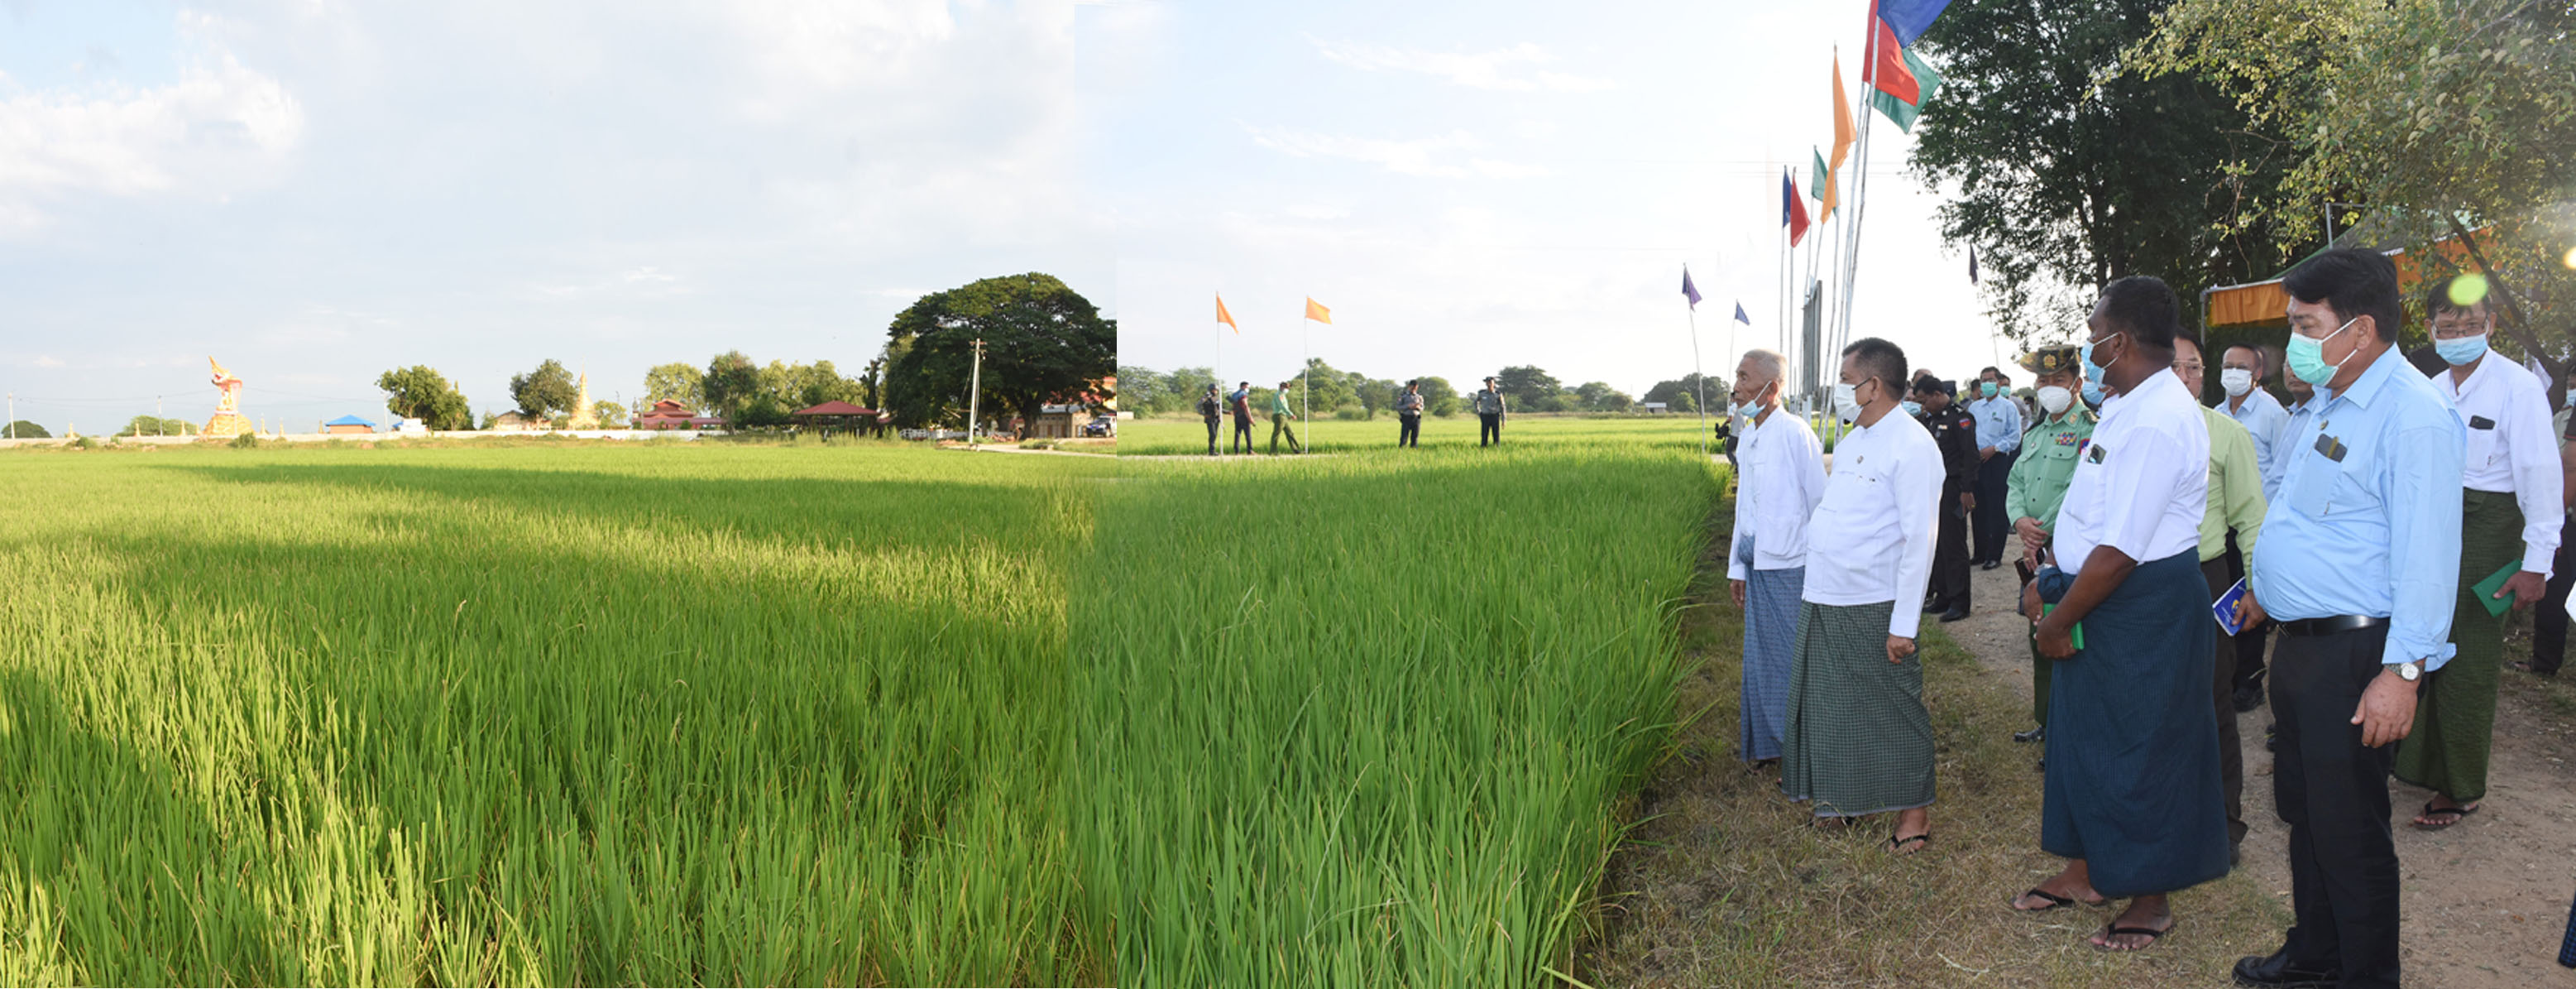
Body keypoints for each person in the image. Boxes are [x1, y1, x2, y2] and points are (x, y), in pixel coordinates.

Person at [2230, 248, 2462, 989]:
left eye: (2306, 325)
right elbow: (2308, 520)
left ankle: (2366, 975)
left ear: (2359, 330)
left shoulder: (2414, 415)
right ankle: (2316, 952)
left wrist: (2404, 672)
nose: (2294, 341)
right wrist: (2267, 589)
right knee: (2306, 810)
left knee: (2351, 826)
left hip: (2358, 655)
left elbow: (2429, 556)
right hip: (2303, 648)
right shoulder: (2332, 399)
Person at [2007, 276, 2228, 952]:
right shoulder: (2125, 404)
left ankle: (2150, 896)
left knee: (2143, 744)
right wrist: (2048, 581)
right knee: (2084, 737)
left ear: (2120, 341)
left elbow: (2123, 548)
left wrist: (2055, 619)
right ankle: (2087, 870)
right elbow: (2090, 512)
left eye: (2094, 334)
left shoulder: (2160, 417)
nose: (2089, 345)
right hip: (2096, 591)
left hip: (2141, 603)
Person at [2395, 275, 2562, 830]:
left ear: (2490, 325)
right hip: (2435, 524)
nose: (2460, 334)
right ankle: (2418, 764)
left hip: (2491, 531)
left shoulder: (2518, 387)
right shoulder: (2431, 387)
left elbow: (2541, 476)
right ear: (2431, 329)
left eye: (2471, 324)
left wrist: (2537, 565)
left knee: (2469, 659)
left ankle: (2461, 786)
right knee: (2424, 639)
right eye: (2448, 326)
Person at [1780, 337, 1941, 853]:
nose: (1840, 390)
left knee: (1894, 709)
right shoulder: (1853, 441)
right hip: (1827, 593)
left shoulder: (1913, 445)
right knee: (1834, 705)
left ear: (1872, 386)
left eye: (1846, 381)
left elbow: (1920, 541)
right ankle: (1848, 798)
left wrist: (1904, 625)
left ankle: (1914, 812)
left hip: (1874, 601)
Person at [2173, 331, 2267, 861]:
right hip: (2141, 581)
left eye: (2194, 367)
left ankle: (2222, 823)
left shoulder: (2227, 434)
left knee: (2212, 704)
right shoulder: (2124, 429)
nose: (2185, 377)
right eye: (2174, 366)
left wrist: (2256, 586)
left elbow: (2251, 518)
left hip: (2205, 577)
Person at [1726, 349, 1826, 766]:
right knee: (1761, 658)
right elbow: (1744, 509)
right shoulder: (1749, 435)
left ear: (1771, 388)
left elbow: (1819, 502)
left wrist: (1819, 566)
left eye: (1744, 378)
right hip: (1756, 561)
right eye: (1736, 376)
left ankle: (1800, 748)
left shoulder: (1795, 433)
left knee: (1789, 657)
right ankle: (1770, 744)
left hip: (1789, 565)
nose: (1736, 388)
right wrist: (1736, 568)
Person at [2004, 346, 2096, 745]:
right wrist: (2020, 521)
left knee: (2068, 633)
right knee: (2039, 628)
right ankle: (2046, 720)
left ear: (2077, 384)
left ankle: (2069, 727)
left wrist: (2040, 529)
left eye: (2058, 380)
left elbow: (2081, 488)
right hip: (2034, 547)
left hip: (2069, 549)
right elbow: (2015, 482)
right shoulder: (2036, 433)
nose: (2048, 387)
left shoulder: (2091, 431)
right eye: (2042, 380)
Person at [1917, 377, 1979, 623]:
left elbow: (1970, 456)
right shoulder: (1929, 420)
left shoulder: (1960, 419)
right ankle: (1942, 596)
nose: (1923, 406)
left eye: (1924, 401)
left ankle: (1959, 602)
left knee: (1954, 545)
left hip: (1954, 488)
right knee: (1937, 545)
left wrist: (1967, 489)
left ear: (1936, 394)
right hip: (1933, 488)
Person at [1970, 365, 2025, 570]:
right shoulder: (1974, 408)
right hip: (1977, 462)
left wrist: (1994, 449)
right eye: (1983, 380)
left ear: (1999, 383)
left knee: (1996, 509)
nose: (1987, 384)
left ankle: (1994, 555)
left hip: (1997, 460)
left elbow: (2015, 436)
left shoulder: (2008, 407)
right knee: (1978, 510)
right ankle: (1980, 553)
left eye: (1991, 380)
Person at [1269, 380, 1302, 455]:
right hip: (1279, 416)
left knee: (1290, 433)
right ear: (1281, 387)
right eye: (1286, 388)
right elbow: (1282, 406)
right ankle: (1273, 451)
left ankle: (1296, 449)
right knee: (1276, 434)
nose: (1287, 390)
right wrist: (1291, 414)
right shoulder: (1278, 395)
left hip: (1283, 416)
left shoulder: (1283, 395)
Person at [1473, 377, 1507, 446]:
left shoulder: (1498, 394)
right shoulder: (1482, 393)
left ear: (1494, 383)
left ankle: (1496, 449)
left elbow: (1502, 407)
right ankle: (1483, 449)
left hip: (1495, 416)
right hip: (1485, 416)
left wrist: (1503, 420)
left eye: (1490, 382)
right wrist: (1479, 412)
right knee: (1484, 435)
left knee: (1496, 436)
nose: (1489, 384)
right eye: (1487, 382)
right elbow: (1475, 402)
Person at [1395, 380, 1425, 448]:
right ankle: (1402, 450)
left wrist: (1417, 407)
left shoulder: (1419, 397)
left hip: (1416, 418)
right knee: (1404, 437)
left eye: (1415, 388)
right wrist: (1408, 406)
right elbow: (1398, 407)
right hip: (1406, 418)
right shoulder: (1403, 396)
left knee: (1415, 437)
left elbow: (1422, 408)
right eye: (1412, 388)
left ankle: (1414, 450)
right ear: (1409, 386)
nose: (1414, 389)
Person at [1228, 382, 1255, 454]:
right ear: (1242, 387)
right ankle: (1250, 450)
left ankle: (1236, 451)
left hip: (1237, 415)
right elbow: (1245, 406)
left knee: (1237, 433)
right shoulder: (1243, 394)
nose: (1247, 388)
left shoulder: (1234, 395)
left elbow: (1233, 406)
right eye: (1246, 387)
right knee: (1248, 434)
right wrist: (1250, 418)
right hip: (1244, 416)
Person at [1196, 384, 1223, 456]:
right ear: (1211, 390)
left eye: (1217, 390)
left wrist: (1227, 412)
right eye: (1215, 390)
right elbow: (1198, 406)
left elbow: (1219, 408)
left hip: (1216, 418)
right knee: (1212, 434)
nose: (1216, 392)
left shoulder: (1215, 398)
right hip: (1210, 419)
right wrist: (1203, 414)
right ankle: (1211, 451)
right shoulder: (1206, 397)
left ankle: (1213, 451)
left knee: (1215, 435)